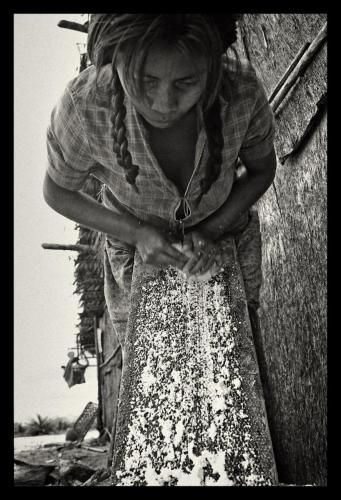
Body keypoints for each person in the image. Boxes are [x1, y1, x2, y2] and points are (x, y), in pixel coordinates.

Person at [43, 14, 278, 486]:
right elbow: (57, 192)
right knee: (151, 376)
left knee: (231, 365)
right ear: (114, 60)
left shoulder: (242, 92)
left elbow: (260, 171)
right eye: (144, 81)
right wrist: (136, 233)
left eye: (186, 82)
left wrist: (211, 230)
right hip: (134, 246)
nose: (162, 102)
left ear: (212, 69)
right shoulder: (84, 105)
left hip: (223, 238)